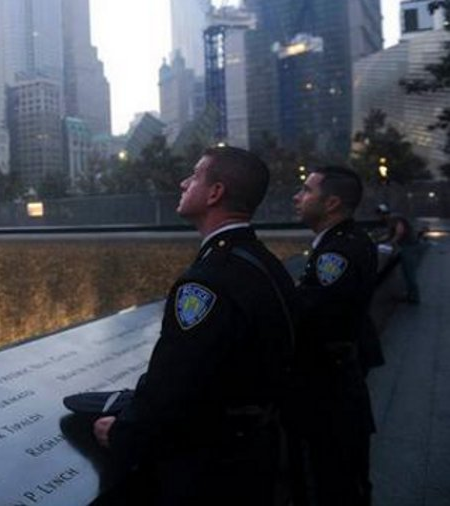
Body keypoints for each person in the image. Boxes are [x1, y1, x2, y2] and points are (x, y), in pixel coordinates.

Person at [90, 146, 296, 505]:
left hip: (210, 468)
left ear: (215, 193)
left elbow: (176, 381)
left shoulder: (205, 282)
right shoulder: (265, 262)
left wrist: (125, 433)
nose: (184, 182)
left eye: (195, 175)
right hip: (257, 451)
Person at [290, 167, 377, 505]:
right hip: (340, 387)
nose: (297, 197)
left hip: (327, 396)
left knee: (330, 486)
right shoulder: (350, 240)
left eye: (306, 191)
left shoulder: (335, 254)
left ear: (332, 203)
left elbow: (315, 316)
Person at [376, 204, 420, 304]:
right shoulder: (391, 220)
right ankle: (410, 295)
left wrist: (390, 243)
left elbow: (399, 232)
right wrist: (380, 240)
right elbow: (390, 234)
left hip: (409, 247)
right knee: (406, 272)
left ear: (384, 214)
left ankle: (414, 298)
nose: (379, 217)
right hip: (406, 246)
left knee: (409, 273)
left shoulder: (395, 218)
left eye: (380, 214)